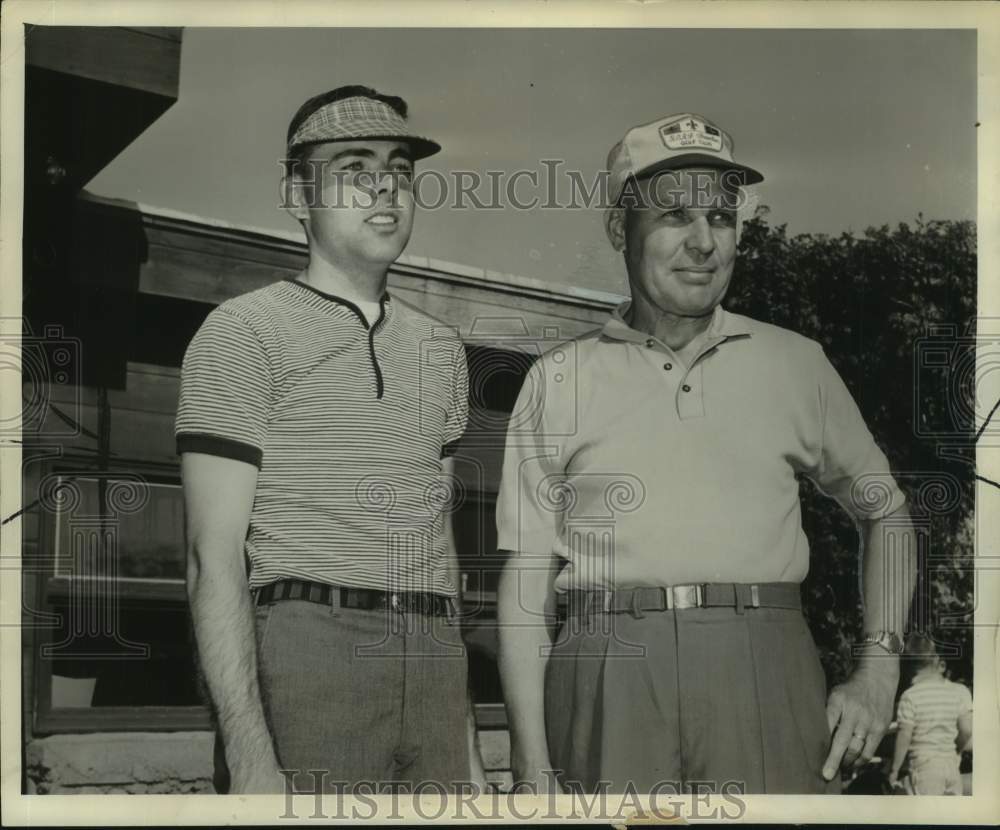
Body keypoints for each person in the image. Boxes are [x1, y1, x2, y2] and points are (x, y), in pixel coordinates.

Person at [496, 112, 916, 795]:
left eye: (722, 219)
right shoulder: (559, 378)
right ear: (618, 230)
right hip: (609, 670)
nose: (703, 243)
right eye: (675, 217)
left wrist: (880, 665)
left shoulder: (796, 364)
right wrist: (529, 761)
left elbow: (888, 514)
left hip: (762, 665)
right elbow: (525, 582)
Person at [177, 85, 483, 794]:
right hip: (308, 648)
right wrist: (250, 752)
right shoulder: (242, 330)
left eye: (400, 170)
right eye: (355, 167)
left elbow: (437, 551)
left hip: (432, 657)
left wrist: (465, 746)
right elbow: (209, 557)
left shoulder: (441, 349)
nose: (385, 187)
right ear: (296, 193)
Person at [889, 635, 973, 795]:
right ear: (936, 661)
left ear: (907, 669)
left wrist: (894, 769)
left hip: (925, 767)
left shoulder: (910, 696)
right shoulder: (958, 692)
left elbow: (904, 735)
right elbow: (967, 730)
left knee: (927, 815)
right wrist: (955, 750)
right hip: (952, 766)